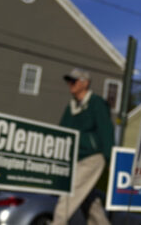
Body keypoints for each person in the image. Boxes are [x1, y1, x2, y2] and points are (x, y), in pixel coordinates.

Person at [51, 67, 114, 225]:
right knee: (91, 204)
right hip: (75, 160)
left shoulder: (96, 103)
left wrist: (110, 159)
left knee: (67, 196)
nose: (70, 84)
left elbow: (106, 131)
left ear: (85, 83)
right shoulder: (71, 107)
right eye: (69, 81)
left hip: (92, 158)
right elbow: (62, 132)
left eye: (74, 81)